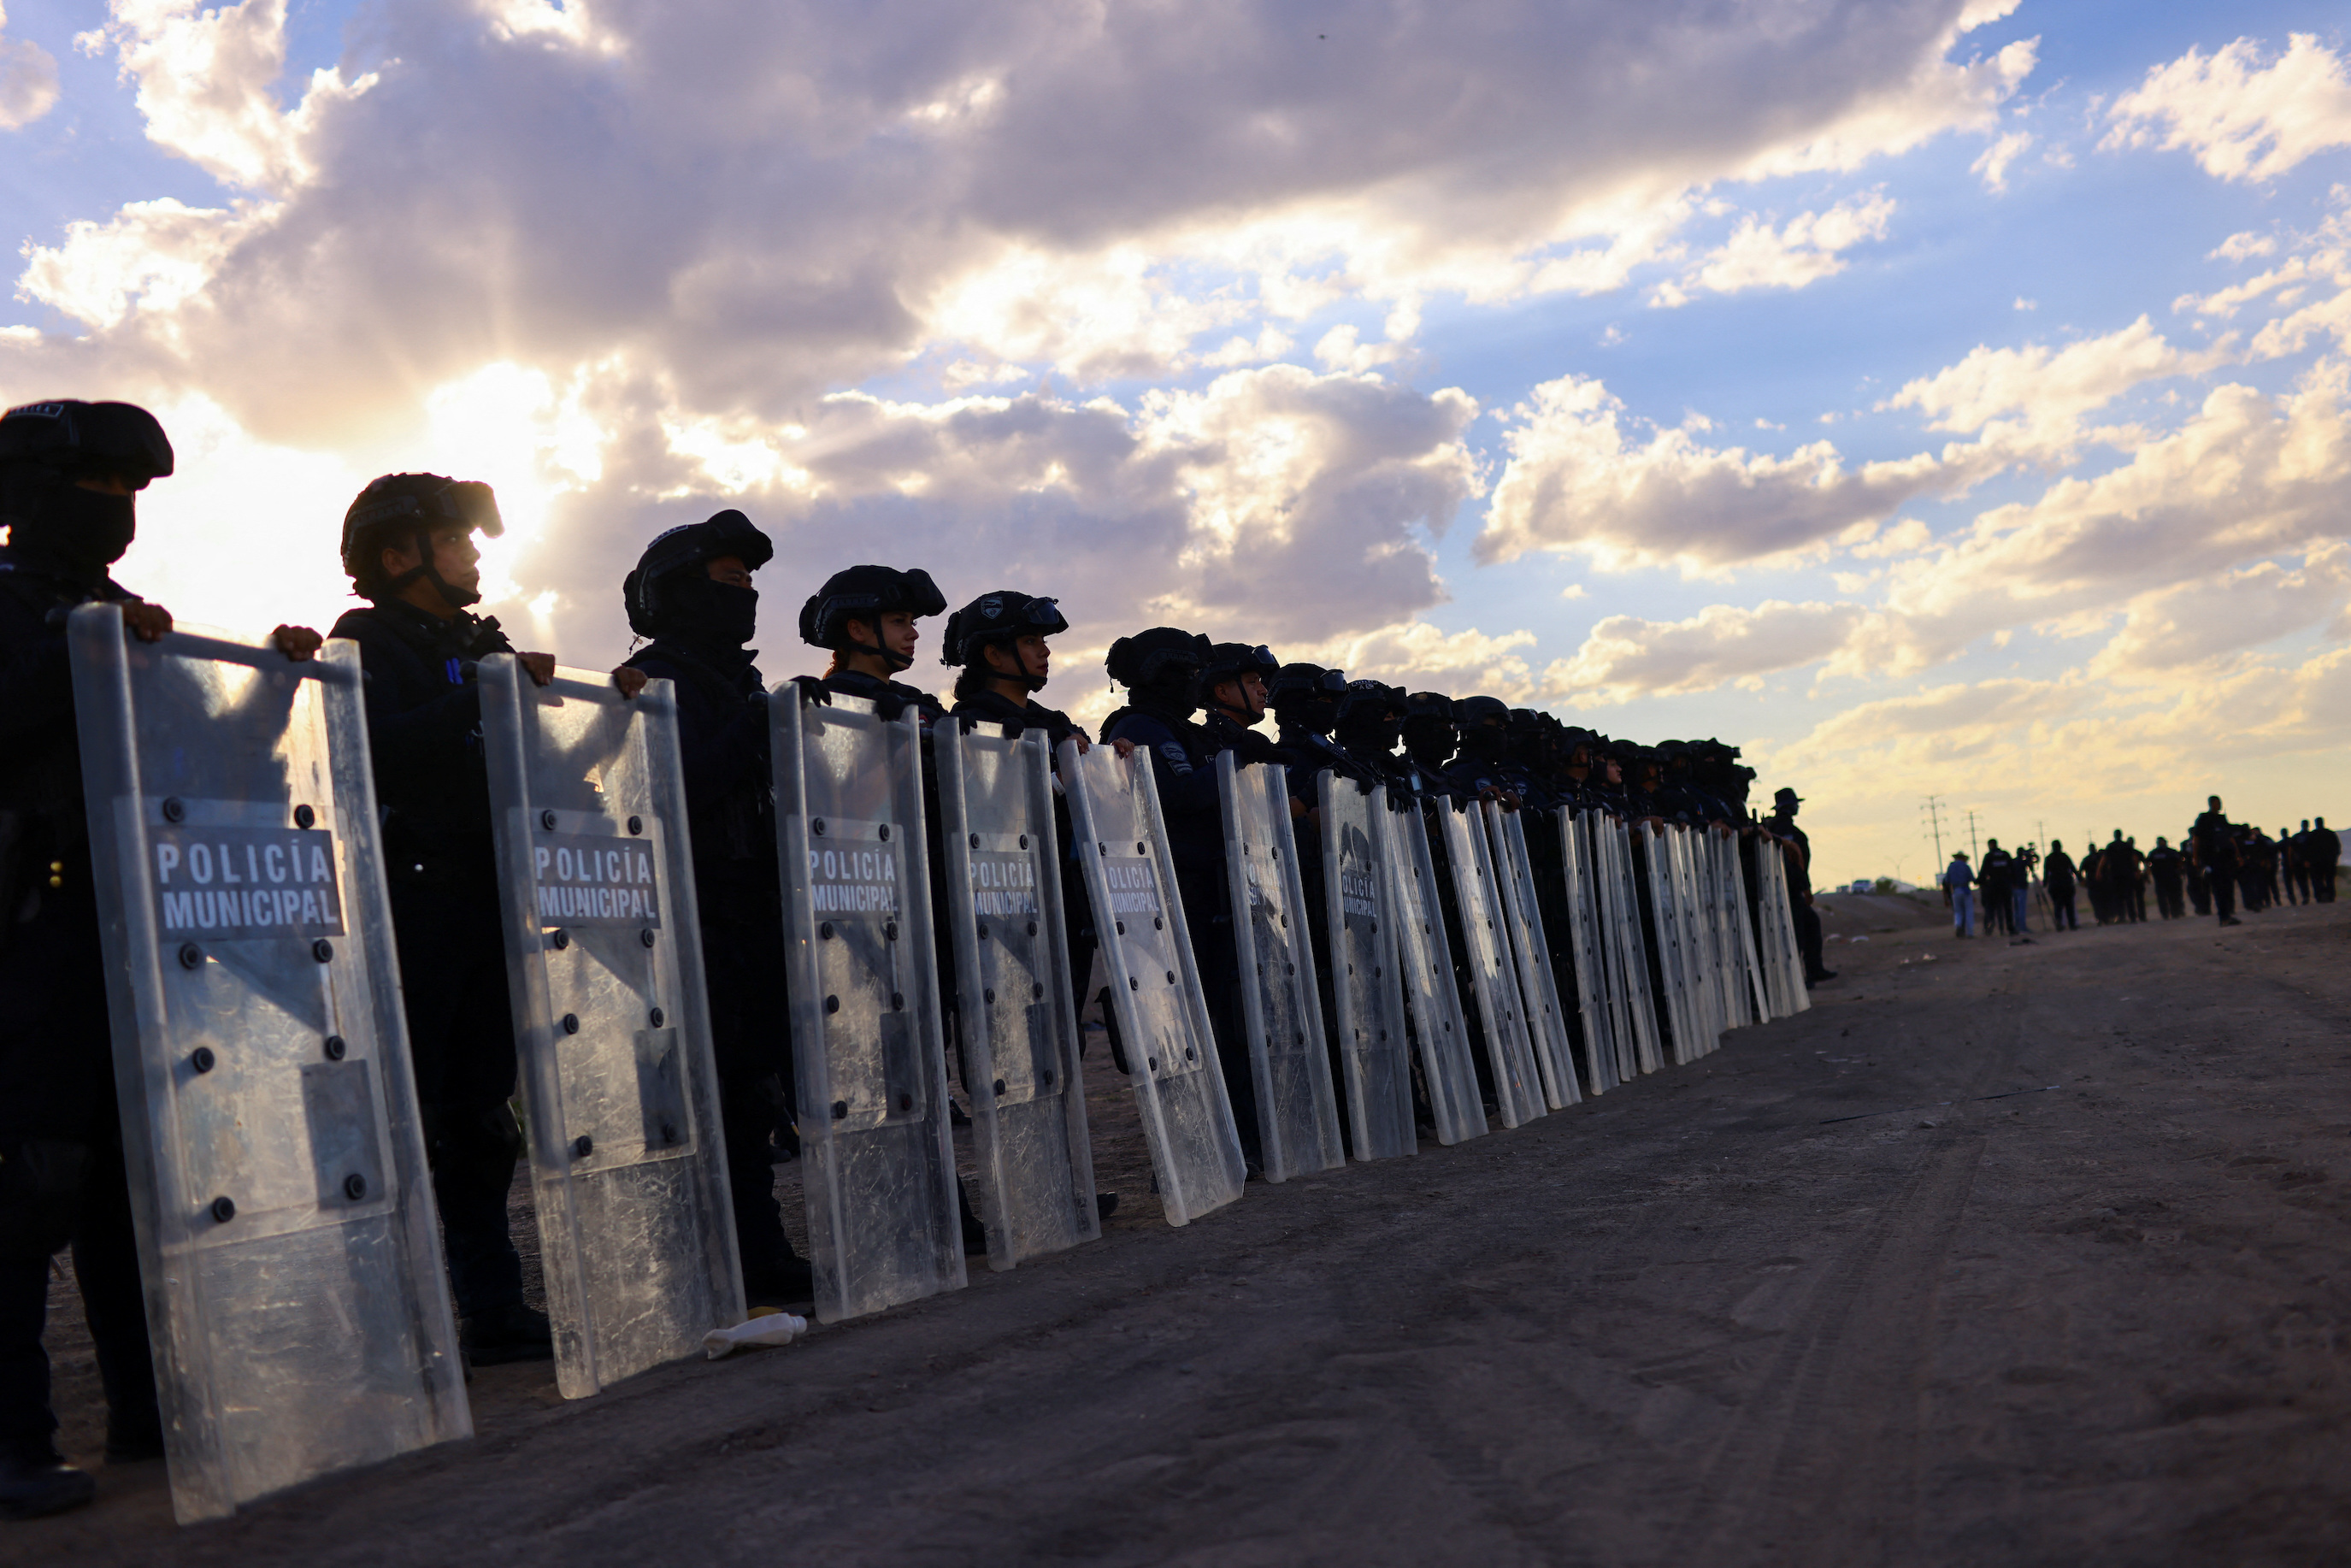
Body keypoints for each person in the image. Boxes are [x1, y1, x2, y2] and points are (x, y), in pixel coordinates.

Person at [2, 399, 321, 1518]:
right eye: (99, 487)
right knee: (28, 1182)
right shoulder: (23, 613)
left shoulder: (116, 617)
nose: (119, 511)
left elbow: (213, 755)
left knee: (136, 1185)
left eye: (132, 492)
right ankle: (15, 1440)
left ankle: (151, 1405)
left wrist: (276, 687)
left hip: (131, 935)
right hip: (28, 935)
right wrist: (88, 649)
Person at [333, 472, 610, 1365]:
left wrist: (611, 719)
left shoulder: (479, 640)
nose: (473, 553)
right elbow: (377, 741)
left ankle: (492, 1305)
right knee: (405, 1112)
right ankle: (390, 1315)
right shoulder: (365, 638)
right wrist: (485, 692)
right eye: (455, 539)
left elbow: (546, 760)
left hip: (489, 893)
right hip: (412, 897)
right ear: (400, 553)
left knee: (484, 1117)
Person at [621, 510, 815, 1305]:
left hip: (755, 906)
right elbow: (674, 785)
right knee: (718, 1091)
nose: (746, 596)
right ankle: (740, 1256)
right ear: (675, 594)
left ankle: (758, 1247)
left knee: (754, 1090)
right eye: (728, 583)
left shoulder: (735, 682)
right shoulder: (656, 680)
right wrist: (758, 723)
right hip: (696, 910)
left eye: (750, 583)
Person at [797, 565, 949, 721]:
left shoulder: (920, 703)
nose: (914, 634)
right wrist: (789, 708)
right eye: (898, 621)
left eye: (912, 623)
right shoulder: (823, 701)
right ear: (857, 630)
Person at [1763, 787, 1832, 982]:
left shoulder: (1775, 828)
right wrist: (1805, 889)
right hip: (1788, 891)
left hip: (1783, 890)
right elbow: (1795, 865)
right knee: (1798, 935)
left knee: (1810, 925)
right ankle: (1800, 978)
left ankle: (1813, 970)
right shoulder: (1786, 831)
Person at [2189, 796, 2240, 928]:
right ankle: (2223, 918)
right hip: (2212, 858)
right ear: (2211, 804)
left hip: (2226, 858)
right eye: (2217, 803)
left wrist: (2237, 854)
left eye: (2221, 803)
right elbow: (2197, 838)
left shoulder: (2222, 819)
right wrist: (2195, 858)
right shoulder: (2204, 819)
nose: (2219, 805)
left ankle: (2228, 915)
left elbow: (2230, 838)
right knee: (2219, 888)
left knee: (2228, 887)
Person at [2043, 840, 2079, 930]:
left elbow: (2046, 873)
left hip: (2055, 885)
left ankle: (2059, 923)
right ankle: (2071, 924)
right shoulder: (2064, 856)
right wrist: (2080, 878)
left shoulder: (2049, 858)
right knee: (2069, 905)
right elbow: (2073, 868)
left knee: (2058, 906)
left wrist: (2045, 883)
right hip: (2066, 884)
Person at [2147, 837, 2184, 920]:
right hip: (2166, 878)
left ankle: (2171, 913)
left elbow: (2148, 864)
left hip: (2167, 877)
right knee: (2169, 897)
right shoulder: (2170, 852)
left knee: (2169, 897)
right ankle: (2171, 913)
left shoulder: (2155, 853)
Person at [1942, 852, 1976, 936]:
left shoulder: (1951, 867)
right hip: (1966, 890)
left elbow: (1947, 881)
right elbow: (1973, 879)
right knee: (1968, 911)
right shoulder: (1966, 866)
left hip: (1956, 890)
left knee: (1958, 912)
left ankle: (1958, 925)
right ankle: (1970, 932)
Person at [2311, 816, 2341, 903]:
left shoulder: (2313, 835)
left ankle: (2320, 897)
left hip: (2317, 863)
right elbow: (2337, 848)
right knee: (2329, 880)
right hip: (2329, 861)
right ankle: (2331, 897)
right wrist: (2334, 858)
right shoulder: (2330, 834)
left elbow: (2307, 850)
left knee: (2318, 880)